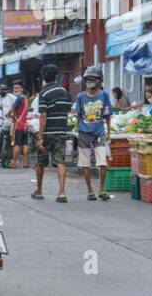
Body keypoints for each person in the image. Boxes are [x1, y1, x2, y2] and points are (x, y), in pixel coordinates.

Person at [33, 64, 71, 203]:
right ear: (56, 76)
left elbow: (43, 115)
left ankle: (39, 191)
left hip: (48, 131)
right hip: (61, 130)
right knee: (60, 161)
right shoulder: (64, 91)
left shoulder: (43, 93)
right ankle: (61, 192)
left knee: (41, 162)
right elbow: (67, 112)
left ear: (43, 78)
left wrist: (40, 136)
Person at [74, 66, 112, 201]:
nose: (90, 81)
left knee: (102, 162)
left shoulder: (104, 95)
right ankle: (90, 190)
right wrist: (76, 130)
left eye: (93, 79)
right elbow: (78, 114)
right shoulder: (80, 97)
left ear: (99, 81)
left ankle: (102, 189)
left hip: (100, 131)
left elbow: (108, 115)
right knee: (85, 163)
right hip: (84, 132)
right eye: (88, 79)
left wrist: (109, 132)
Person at [8, 79, 29, 168]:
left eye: (17, 88)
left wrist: (8, 113)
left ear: (22, 89)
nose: (15, 90)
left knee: (16, 144)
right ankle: (25, 163)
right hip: (25, 125)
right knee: (25, 144)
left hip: (18, 125)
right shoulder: (25, 99)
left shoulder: (19, 99)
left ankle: (14, 162)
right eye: (14, 88)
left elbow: (12, 109)